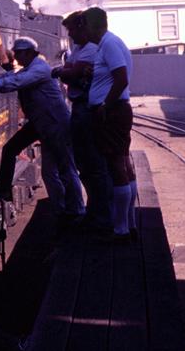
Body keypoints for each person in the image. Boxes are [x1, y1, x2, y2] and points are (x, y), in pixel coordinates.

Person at [0, 36, 85, 230]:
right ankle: (57, 209)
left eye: (19, 53)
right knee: (16, 152)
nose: (16, 56)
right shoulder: (30, 67)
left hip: (55, 123)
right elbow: (10, 76)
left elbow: (15, 82)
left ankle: (77, 211)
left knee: (65, 169)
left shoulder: (40, 69)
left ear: (29, 52)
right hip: (40, 123)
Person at [52, 12, 114, 236]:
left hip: (88, 108)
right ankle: (95, 212)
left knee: (95, 164)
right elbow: (69, 71)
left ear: (82, 27)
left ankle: (103, 218)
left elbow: (72, 73)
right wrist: (67, 71)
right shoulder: (78, 49)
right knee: (85, 165)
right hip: (78, 107)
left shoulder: (90, 49)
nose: (69, 35)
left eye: (72, 30)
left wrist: (65, 71)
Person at [83, 7, 136, 241]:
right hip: (115, 110)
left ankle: (121, 229)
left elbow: (121, 77)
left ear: (92, 25)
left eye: (83, 26)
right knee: (123, 164)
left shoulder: (110, 44)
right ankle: (128, 224)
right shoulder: (111, 43)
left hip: (112, 112)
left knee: (116, 166)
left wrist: (104, 104)